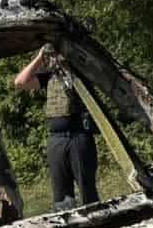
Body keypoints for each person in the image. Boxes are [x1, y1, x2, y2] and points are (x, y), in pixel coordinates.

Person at [14, 44, 98, 210]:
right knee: (61, 194)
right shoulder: (49, 76)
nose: (55, 57)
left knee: (87, 188)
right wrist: (39, 57)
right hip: (56, 139)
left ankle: (98, 224)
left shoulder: (80, 72)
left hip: (79, 136)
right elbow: (20, 82)